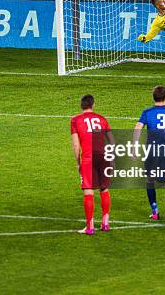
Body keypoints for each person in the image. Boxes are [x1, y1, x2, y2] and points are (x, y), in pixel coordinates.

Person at [133, 86, 165, 226]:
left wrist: (135, 147)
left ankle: (155, 211)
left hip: (152, 150)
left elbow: (137, 128)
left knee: (150, 180)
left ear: (153, 97)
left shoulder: (147, 112)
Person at [70, 95, 114, 235]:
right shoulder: (102, 119)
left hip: (88, 159)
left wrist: (78, 163)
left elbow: (76, 145)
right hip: (103, 157)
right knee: (104, 189)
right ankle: (105, 223)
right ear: (93, 105)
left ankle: (90, 227)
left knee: (89, 191)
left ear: (81, 105)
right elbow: (112, 141)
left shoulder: (75, 120)